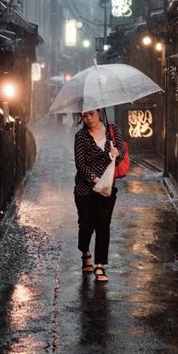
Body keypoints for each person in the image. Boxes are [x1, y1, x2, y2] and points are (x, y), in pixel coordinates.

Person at [74, 109, 125, 282]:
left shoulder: (112, 130)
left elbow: (121, 153)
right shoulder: (81, 136)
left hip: (107, 188)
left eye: (91, 114)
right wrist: (95, 180)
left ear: (99, 113)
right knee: (86, 224)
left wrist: (117, 154)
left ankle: (100, 266)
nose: (88, 118)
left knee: (103, 225)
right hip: (85, 190)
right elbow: (80, 165)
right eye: (84, 115)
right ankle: (85, 252)